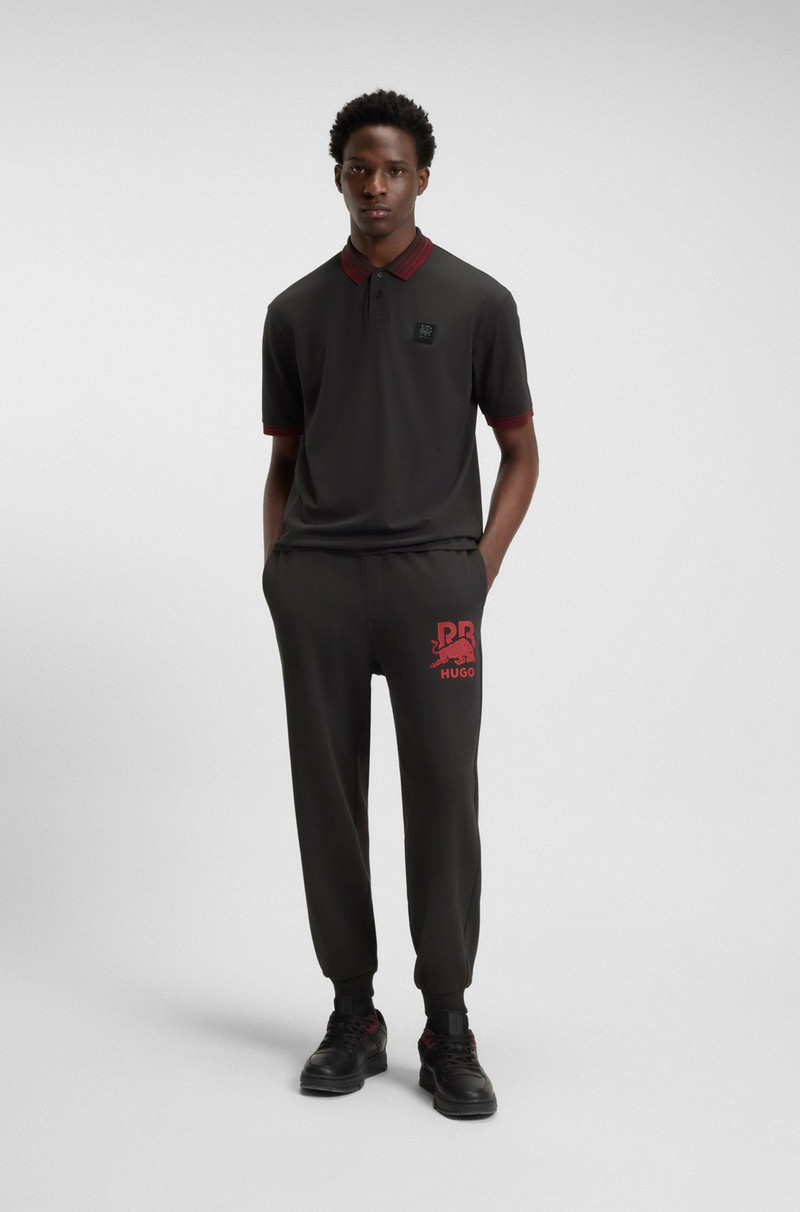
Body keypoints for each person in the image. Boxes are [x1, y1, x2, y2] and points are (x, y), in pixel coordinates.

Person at [261, 89, 538, 1118]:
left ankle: (448, 1023)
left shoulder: (477, 302)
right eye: (358, 168)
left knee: (444, 795)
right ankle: (352, 1013)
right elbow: (283, 461)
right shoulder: (294, 312)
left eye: (392, 169)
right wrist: (280, 572)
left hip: (435, 588)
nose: (374, 186)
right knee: (327, 799)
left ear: (421, 177)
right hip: (320, 585)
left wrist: (476, 568)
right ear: (337, 176)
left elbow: (521, 453)